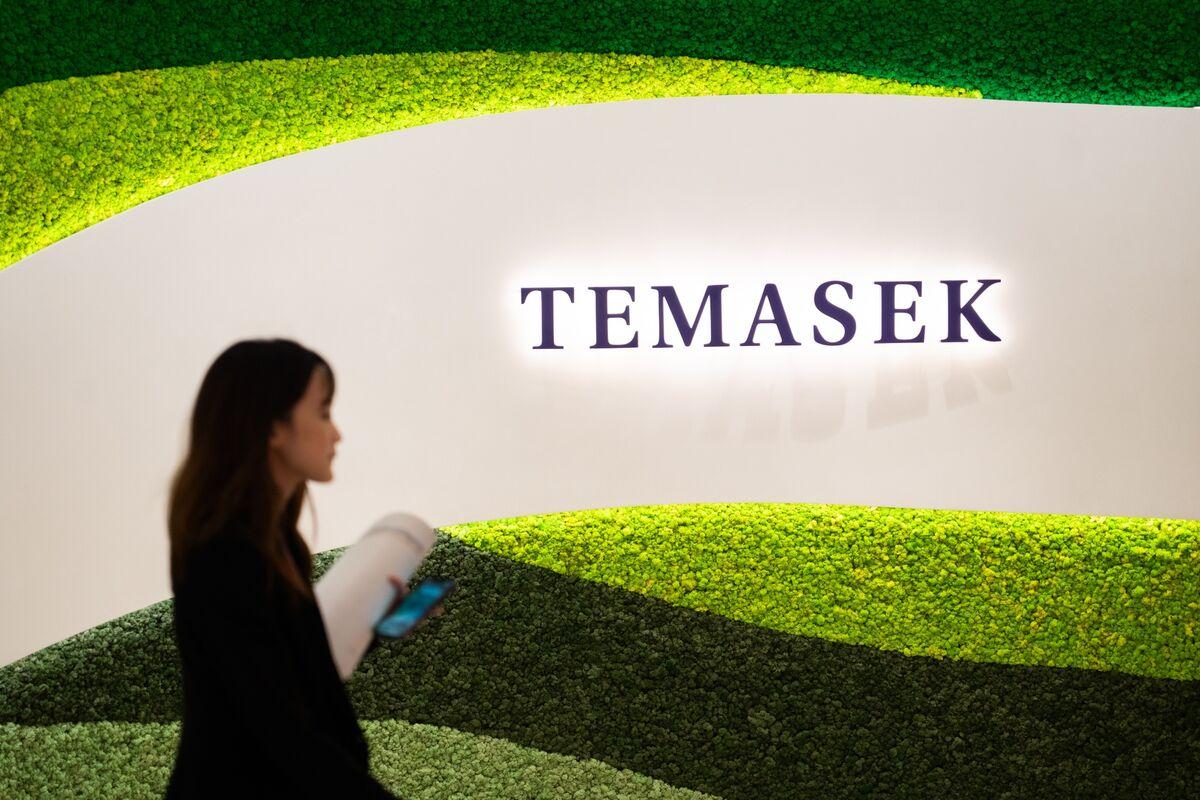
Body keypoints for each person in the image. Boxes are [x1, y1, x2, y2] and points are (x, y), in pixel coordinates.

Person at [164, 338, 443, 798]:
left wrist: (385, 622)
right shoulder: (223, 556)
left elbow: (298, 669)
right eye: (324, 412)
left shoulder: (278, 545)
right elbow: (279, 729)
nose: (336, 435)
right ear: (273, 427)